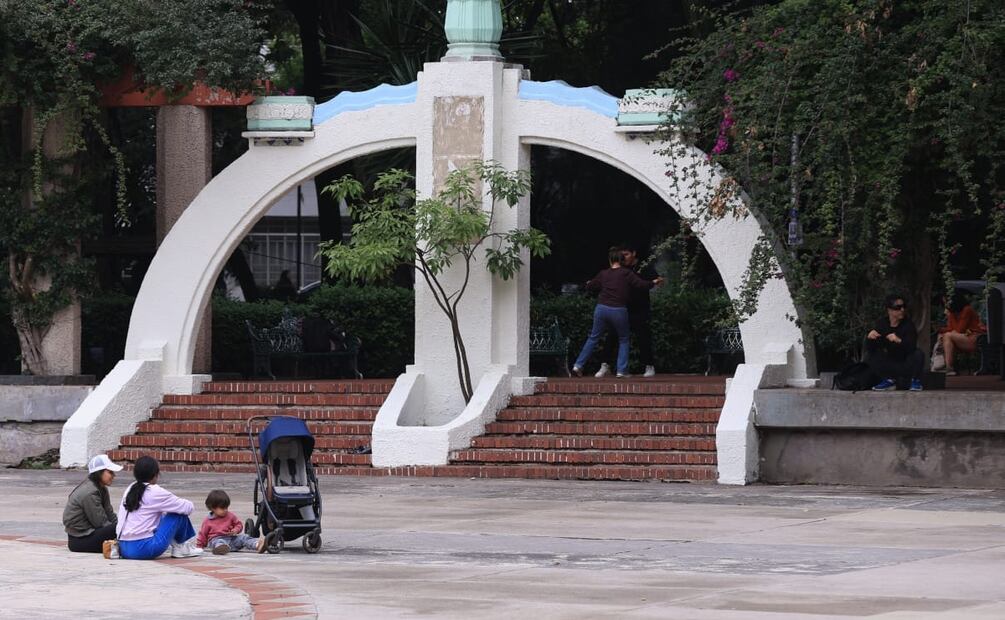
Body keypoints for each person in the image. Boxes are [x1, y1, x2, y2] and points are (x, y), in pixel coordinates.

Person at [573, 247, 664, 378]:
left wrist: (588, 284)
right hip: (618, 309)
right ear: (621, 260)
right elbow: (641, 285)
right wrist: (653, 282)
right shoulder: (626, 273)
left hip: (601, 308)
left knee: (593, 337)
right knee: (623, 339)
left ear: (610, 260)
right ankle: (621, 370)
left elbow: (590, 286)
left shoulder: (604, 273)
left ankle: (578, 365)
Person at [116, 455, 203, 559]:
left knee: (160, 515)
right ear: (155, 474)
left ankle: (180, 546)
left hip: (123, 548)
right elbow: (188, 507)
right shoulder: (155, 491)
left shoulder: (130, 488)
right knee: (177, 514)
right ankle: (181, 547)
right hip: (144, 549)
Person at [596, 245, 659, 378]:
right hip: (621, 308)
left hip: (640, 309)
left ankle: (649, 366)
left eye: (626, 254)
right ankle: (605, 365)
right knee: (612, 336)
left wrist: (655, 281)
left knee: (643, 337)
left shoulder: (644, 267)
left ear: (634, 253)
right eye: (621, 255)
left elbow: (651, 281)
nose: (623, 258)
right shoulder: (620, 268)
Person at [62, 454, 122, 553]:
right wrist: (119, 532)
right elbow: (101, 523)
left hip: (90, 533)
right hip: (79, 540)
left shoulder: (102, 488)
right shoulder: (90, 492)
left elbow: (110, 514)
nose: (113, 476)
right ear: (99, 473)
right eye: (110, 472)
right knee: (119, 530)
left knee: (121, 527)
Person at [867, 294, 925, 391]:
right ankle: (888, 380)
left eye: (903, 307)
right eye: (898, 307)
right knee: (873, 354)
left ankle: (915, 381)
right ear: (889, 310)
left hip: (905, 362)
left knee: (918, 354)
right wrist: (870, 338)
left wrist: (899, 340)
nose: (902, 310)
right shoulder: (882, 323)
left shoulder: (908, 325)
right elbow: (873, 347)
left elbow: (911, 347)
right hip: (890, 361)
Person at [197, 490, 265, 555]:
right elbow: (202, 534)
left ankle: (257, 545)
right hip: (217, 539)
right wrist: (199, 547)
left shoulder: (230, 516)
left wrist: (235, 530)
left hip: (231, 539)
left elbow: (239, 524)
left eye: (226, 507)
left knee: (244, 537)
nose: (225, 510)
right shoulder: (208, 521)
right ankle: (221, 549)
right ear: (213, 508)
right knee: (218, 541)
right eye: (222, 508)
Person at [939, 292, 985, 376]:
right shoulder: (954, 313)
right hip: (962, 337)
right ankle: (948, 368)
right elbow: (951, 328)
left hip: (974, 337)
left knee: (947, 335)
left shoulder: (967, 310)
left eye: (946, 302)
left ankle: (948, 367)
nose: (945, 304)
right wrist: (940, 329)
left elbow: (959, 329)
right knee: (945, 337)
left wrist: (950, 315)